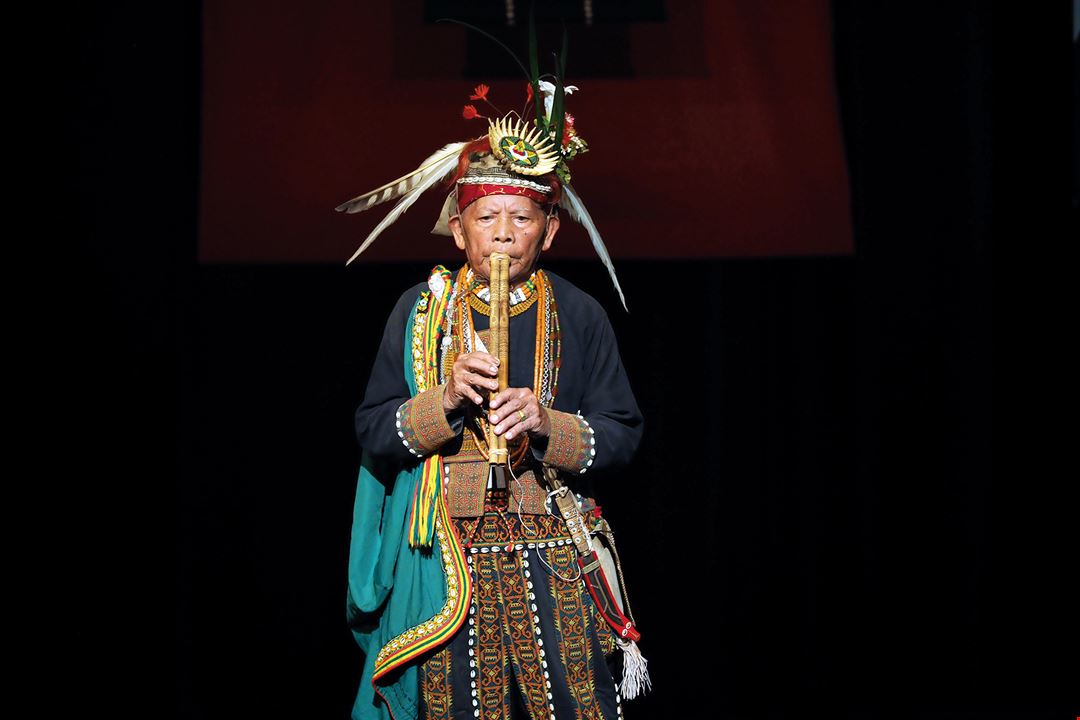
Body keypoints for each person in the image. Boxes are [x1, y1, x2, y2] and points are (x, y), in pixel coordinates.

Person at [340, 81, 648, 720]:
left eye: (522, 218)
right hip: (442, 559)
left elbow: (622, 432)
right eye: (486, 218)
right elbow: (372, 431)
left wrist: (546, 423)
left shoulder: (580, 313)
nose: (503, 235)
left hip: (554, 551)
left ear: (550, 230)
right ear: (459, 231)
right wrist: (445, 399)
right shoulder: (418, 312)